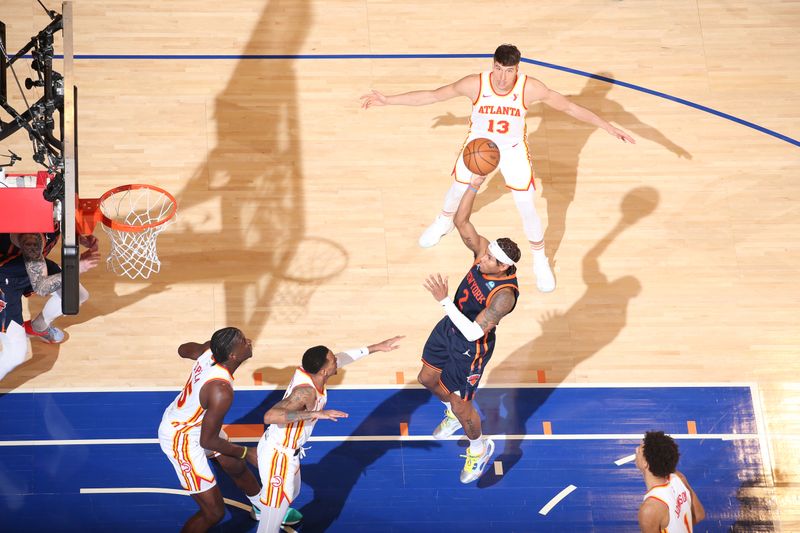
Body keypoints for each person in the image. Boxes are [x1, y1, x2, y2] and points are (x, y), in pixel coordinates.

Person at [361, 43, 635, 293]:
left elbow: (571, 108)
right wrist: (388, 100)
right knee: (457, 189)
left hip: (512, 151)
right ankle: (444, 221)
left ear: (518, 69)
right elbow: (433, 96)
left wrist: (609, 128)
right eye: (499, 69)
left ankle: (540, 259)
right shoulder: (474, 84)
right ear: (493, 65)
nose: (503, 77)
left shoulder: (531, 88)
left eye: (509, 71)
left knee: (527, 205)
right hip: (479, 147)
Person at [418, 173, 519, 484]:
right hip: (450, 327)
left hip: (471, 348)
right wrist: (473, 183)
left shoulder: (504, 296)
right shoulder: (483, 255)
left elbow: (476, 332)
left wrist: (444, 300)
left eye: (489, 258)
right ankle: (451, 411)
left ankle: (480, 448)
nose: (481, 258)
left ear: (503, 267)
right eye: (485, 253)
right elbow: (462, 222)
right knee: (427, 378)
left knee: (464, 408)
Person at [256, 335, 403, 533]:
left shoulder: (314, 372)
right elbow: (270, 416)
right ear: (325, 370)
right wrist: (316, 413)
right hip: (278, 455)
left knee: (293, 491)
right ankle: (266, 510)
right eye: (333, 360)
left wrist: (376, 347)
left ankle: (266, 504)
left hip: (290, 452)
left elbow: (344, 357)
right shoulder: (306, 391)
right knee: (270, 524)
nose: (337, 361)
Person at [158, 327, 263, 533]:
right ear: (232, 355)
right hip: (182, 438)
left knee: (235, 464)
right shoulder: (221, 391)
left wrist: (203, 349)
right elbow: (208, 441)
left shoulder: (210, 352)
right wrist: (247, 451)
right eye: (243, 341)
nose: (249, 341)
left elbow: (182, 350)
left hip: (196, 424)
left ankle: (261, 506)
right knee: (214, 513)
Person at [0, 229, 100, 344]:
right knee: (15, 350)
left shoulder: (57, 212)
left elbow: (64, 223)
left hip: (35, 264)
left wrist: (79, 238)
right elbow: (42, 287)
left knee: (75, 295)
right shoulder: (29, 235)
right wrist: (76, 269)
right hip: (6, 276)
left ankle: (38, 327)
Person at [636, 430, 705, 532]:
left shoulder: (649, 509)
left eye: (639, 451)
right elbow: (699, 515)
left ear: (646, 463)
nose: (636, 449)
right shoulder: (679, 478)